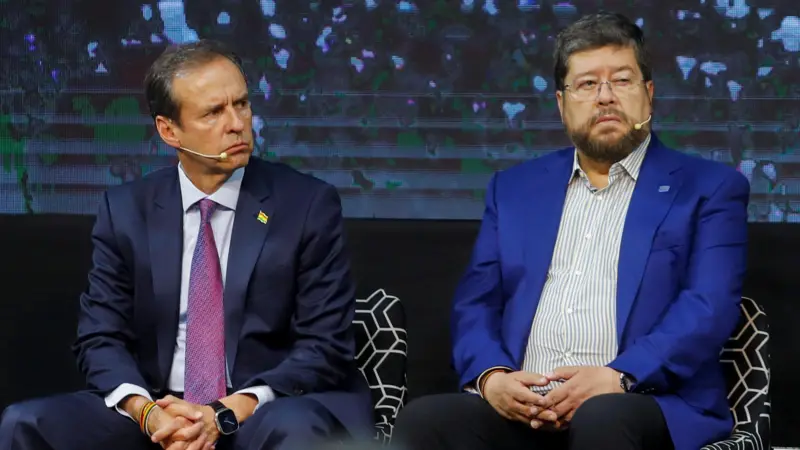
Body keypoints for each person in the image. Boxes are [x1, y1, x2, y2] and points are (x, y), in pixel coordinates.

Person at [392, 12, 749, 450]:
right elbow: (476, 302)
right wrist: (492, 379)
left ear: (648, 95)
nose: (605, 98)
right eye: (586, 85)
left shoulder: (709, 188)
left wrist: (618, 376)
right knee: (427, 421)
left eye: (621, 80)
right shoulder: (515, 189)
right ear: (562, 104)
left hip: (641, 400)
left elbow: (707, 307)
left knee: (603, 417)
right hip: (525, 406)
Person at [0, 40, 372, 450]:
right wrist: (149, 413)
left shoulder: (306, 205)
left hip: (261, 408)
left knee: (296, 429)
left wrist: (227, 411)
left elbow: (326, 345)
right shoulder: (126, 210)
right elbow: (100, 338)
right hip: (159, 410)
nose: (237, 123)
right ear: (168, 130)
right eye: (214, 112)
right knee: (25, 423)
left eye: (242, 105)